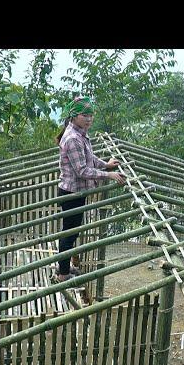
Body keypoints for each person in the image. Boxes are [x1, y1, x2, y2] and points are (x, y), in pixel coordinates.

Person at [55, 96, 126, 282]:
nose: (89, 119)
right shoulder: (72, 138)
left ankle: (63, 266)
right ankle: (63, 274)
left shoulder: (80, 133)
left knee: (71, 232)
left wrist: (106, 165)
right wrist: (109, 175)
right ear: (73, 116)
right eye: (84, 115)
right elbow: (82, 170)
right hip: (71, 192)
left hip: (76, 191)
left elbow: (90, 159)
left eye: (90, 115)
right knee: (69, 233)